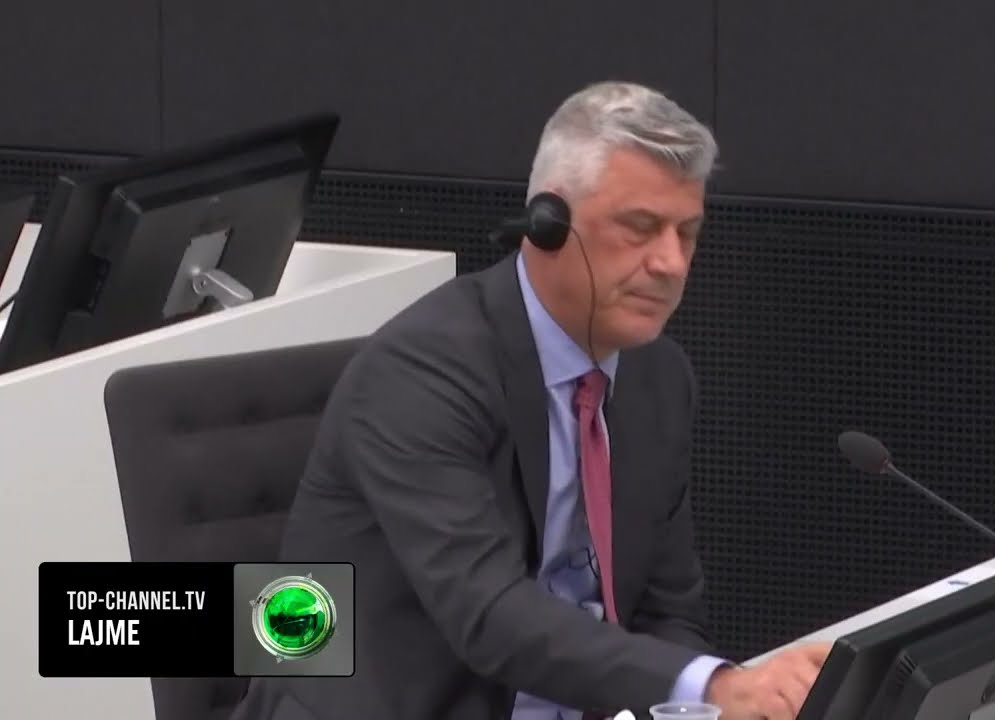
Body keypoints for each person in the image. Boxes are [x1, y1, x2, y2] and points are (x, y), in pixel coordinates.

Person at [231, 80, 831, 720]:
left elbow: (668, 611)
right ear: (549, 226)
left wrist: (697, 705)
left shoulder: (658, 376)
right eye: (640, 228)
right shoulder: (420, 372)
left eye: (687, 233)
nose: (672, 263)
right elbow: (488, 614)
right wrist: (712, 687)